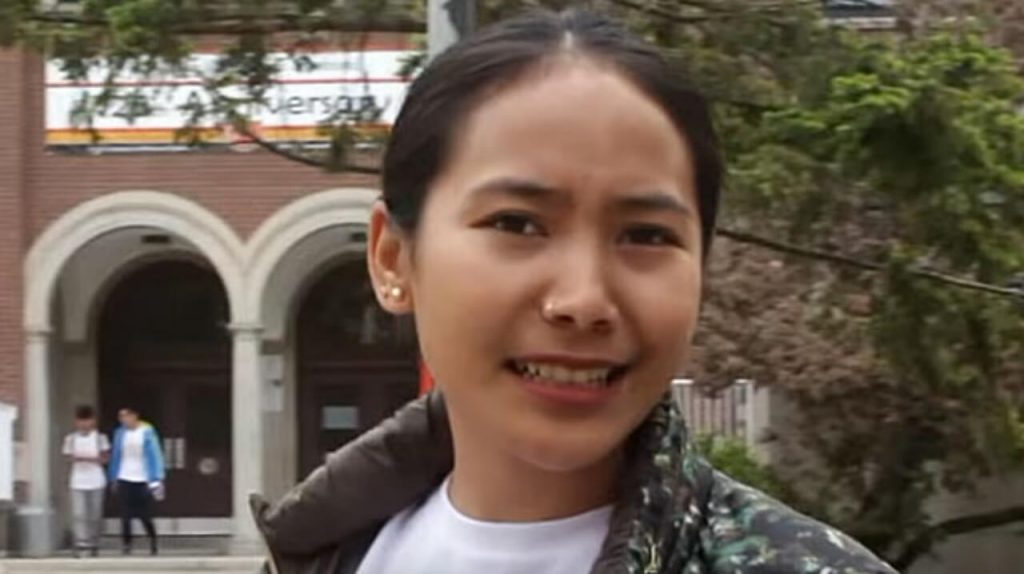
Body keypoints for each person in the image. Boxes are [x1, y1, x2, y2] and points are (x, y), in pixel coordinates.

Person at [250, 9, 897, 574]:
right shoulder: (323, 553)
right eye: (517, 224)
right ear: (393, 258)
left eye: (645, 235)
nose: (584, 300)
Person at [108, 407, 164, 556]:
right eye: (121, 417)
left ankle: (153, 540)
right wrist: (113, 477)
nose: (123, 420)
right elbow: (116, 456)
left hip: (142, 478)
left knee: (144, 515)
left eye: (126, 416)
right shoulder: (120, 433)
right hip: (124, 476)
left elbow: (154, 454)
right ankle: (127, 544)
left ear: (134, 416)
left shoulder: (147, 431)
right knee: (125, 515)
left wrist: (157, 478)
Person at [62, 405, 110, 558]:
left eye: (87, 420)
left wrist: (92, 458)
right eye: (81, 421)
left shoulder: (100, 438)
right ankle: (82, 542)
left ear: (93, 421)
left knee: (94, 514)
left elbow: (105, 457)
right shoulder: (71, 439)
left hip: (96, 480)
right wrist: (78, 458)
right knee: (79, 513)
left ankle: (94, 541)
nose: (84, 424)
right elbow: (68, 457)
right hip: (78, 481)